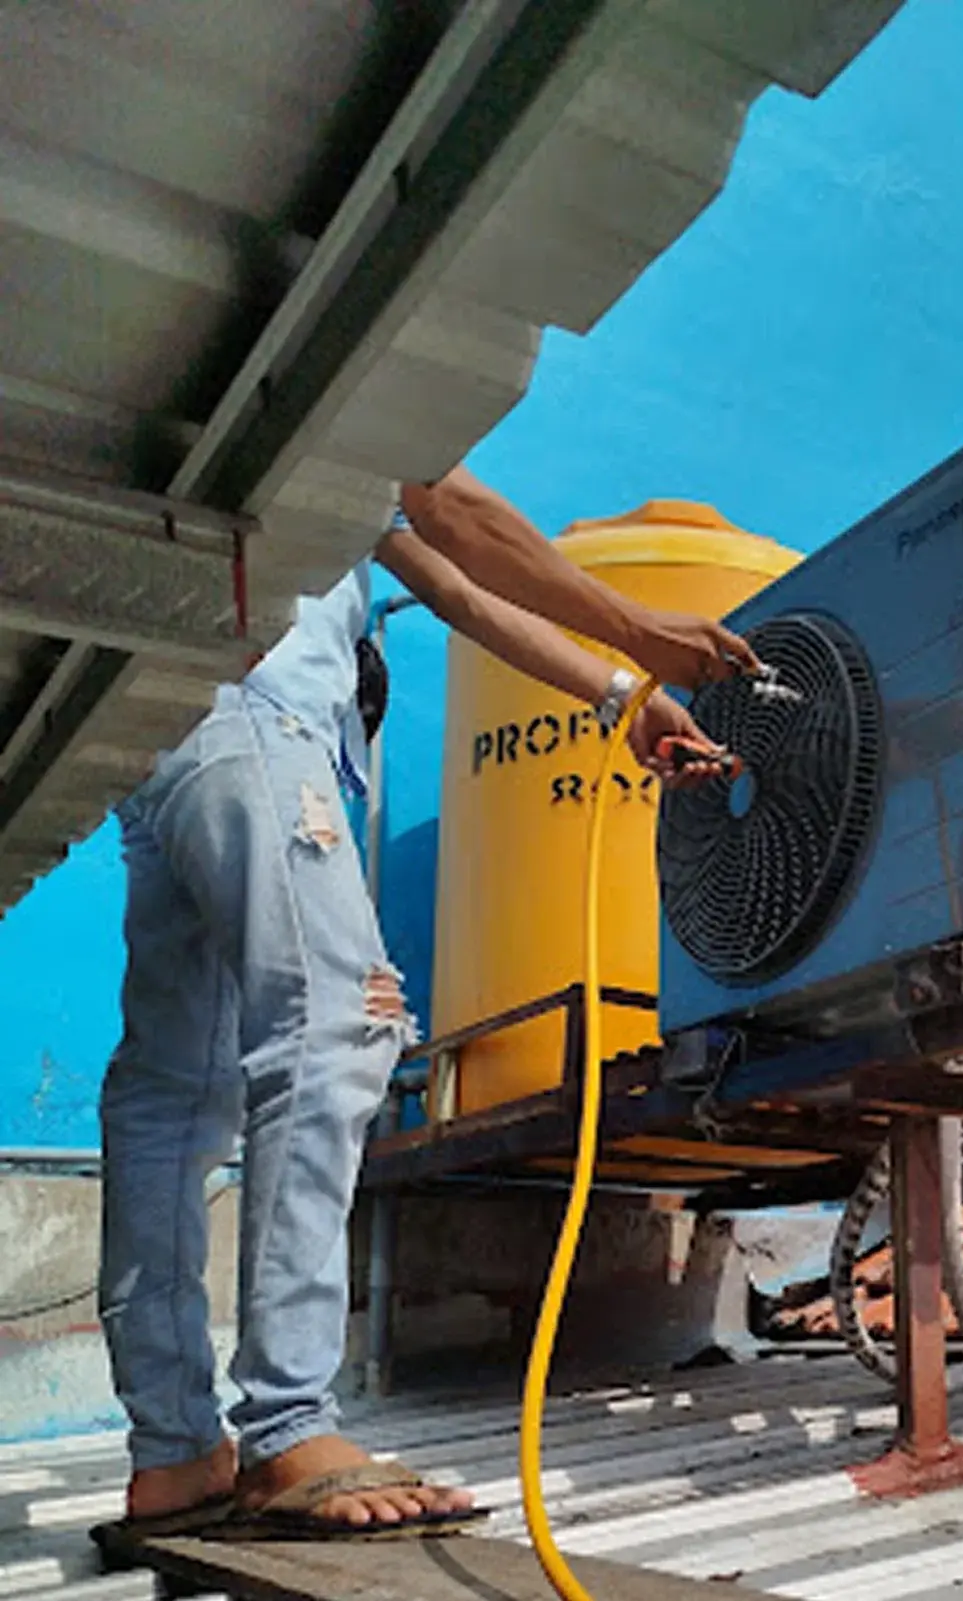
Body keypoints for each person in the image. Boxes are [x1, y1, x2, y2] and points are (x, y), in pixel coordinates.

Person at [96, 468, 756, 1543]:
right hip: (260, 711)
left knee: (171, 1099)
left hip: (167, 728)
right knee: (335, 1020)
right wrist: (641, 625)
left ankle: (173, 1450)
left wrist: (623, 696)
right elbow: (451, 505)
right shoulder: (363, 371)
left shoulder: (283, 452)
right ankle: (287, 1425)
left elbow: (454, 587)